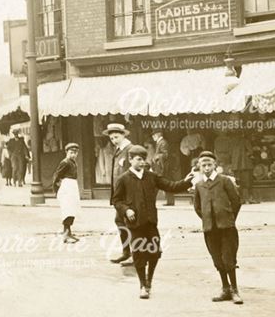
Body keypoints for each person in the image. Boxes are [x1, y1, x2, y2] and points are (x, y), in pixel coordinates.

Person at [111, 145, 194, 299]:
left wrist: (187, 181)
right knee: (138, 254)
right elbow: (116, 200)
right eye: (139, 159)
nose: (142, 162)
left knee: (155, 253)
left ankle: (149, 280)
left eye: (144, 159)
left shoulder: (151, 176)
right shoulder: (123, 179)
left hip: (150, 222)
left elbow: (171, 186)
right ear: (130, 160)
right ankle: (143, 284)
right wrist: (126, 210)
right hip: (135, 224)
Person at [192, 151, 244, 304]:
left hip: (226, 227)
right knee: (217, 259)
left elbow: (236, 202)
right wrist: (207, 218)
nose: (207, 168)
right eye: (203, 165)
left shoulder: (225, 181)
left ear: (215, 165)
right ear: (199, 167)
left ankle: (235, 289)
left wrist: (229, 218)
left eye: (209, 164)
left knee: (228, 258)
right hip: (210, 228)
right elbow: (197, 207)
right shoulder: (199, 185)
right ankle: (225, 288)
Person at [103, 123, 133, 265]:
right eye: (112, 138)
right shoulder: (119, 150)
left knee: (130, 223)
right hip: (120, 195)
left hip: (128, 195)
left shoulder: (130, 150)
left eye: (116, 137)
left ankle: (134, 254)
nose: (114, 140)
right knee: (121, 221)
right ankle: (127, 252)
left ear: (123, 135)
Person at [52, 142, 80, 243]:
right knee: (67, 210)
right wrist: (57, 188)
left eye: (75, 153)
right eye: (71, 152)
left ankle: (69, 233)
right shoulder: (65, 162)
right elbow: (57, 175)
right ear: (67, 152)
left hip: (72, 186)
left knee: (72, 209)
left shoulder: (72, 162)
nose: (73, 155)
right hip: (67, 187)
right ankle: (66, 234)